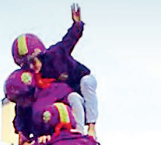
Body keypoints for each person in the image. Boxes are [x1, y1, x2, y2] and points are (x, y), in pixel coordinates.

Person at [11, 5, 98, 136]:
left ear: (41, 55)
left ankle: (90, 128)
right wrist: (21, 130)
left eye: (34, 62)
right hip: (62, 96)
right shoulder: (31, 77)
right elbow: (23, 101)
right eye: (28, 65)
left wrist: (77, 25)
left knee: (85, 84)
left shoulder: (55, 54)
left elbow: (68, 41)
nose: (33, 67)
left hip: (77, 84)